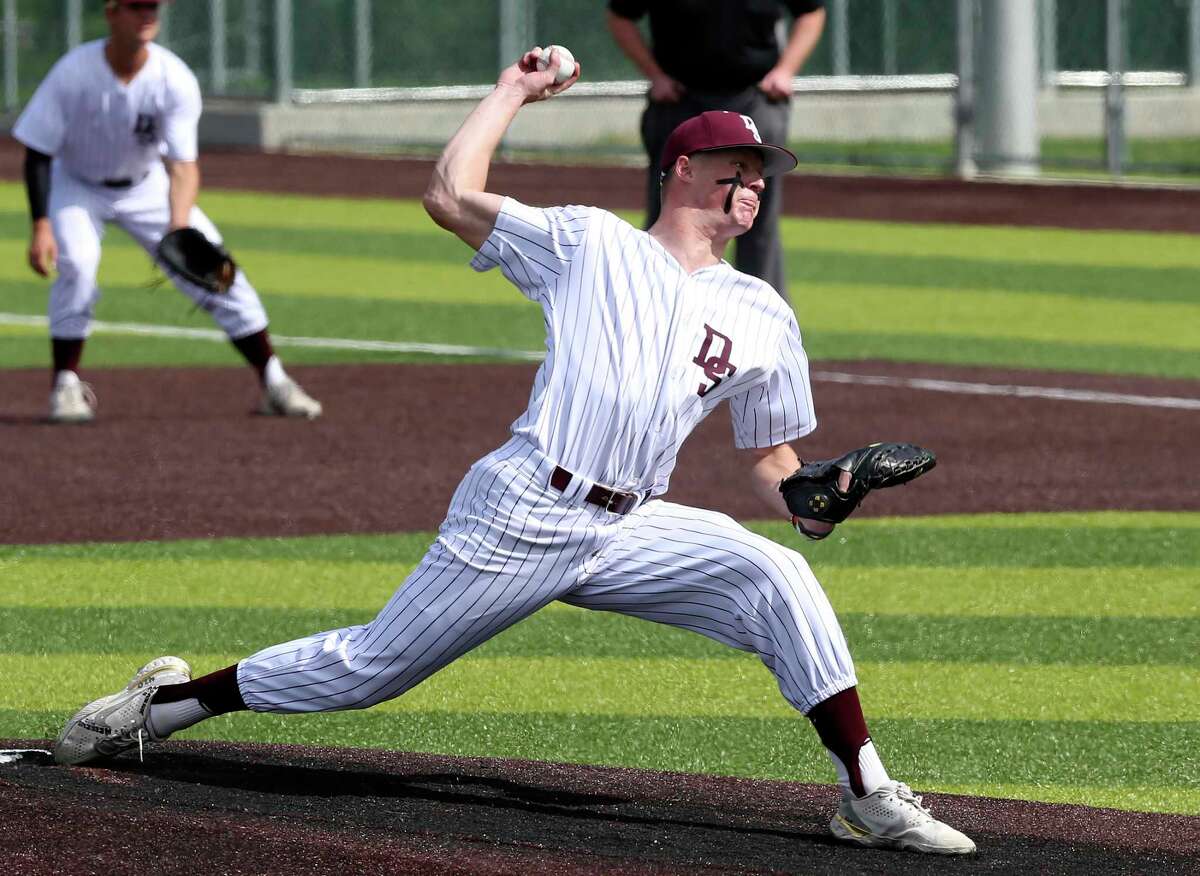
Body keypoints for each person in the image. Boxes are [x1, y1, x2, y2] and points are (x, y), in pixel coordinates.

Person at [52, 48, 975, 857]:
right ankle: (164, 706)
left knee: (777, 577)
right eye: (744, 165)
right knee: (368, 671)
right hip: (527, 505)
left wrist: (826, 490)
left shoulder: (764, 313)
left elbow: (775, 463)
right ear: (685, 169)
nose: (759, 182)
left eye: (764, 171)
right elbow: (447, 195)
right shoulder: (588, 243)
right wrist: (512, 91)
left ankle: (867, 793)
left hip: (632, 524)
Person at [13, 0, 321, 423]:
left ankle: (274, 380)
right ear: (112, 12)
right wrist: (41, 225)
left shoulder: (172, 77)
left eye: (153, 7)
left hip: (148, 186)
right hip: (77, 186)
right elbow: (38, 151)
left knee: (221, 273)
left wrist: (178, 226)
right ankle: (65, 385)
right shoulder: (73, 73)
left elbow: (183, 165)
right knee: (78, 266)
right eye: (137, 6)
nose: (147, 15)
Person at [607, 0, 826, 300]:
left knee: (754, 217)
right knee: (671, 213)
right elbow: (620, 15)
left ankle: (760, 324)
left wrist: (786, 70)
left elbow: (811, 11)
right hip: (681, 99)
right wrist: (654, 74)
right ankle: (649, 309)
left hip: (754, 97)